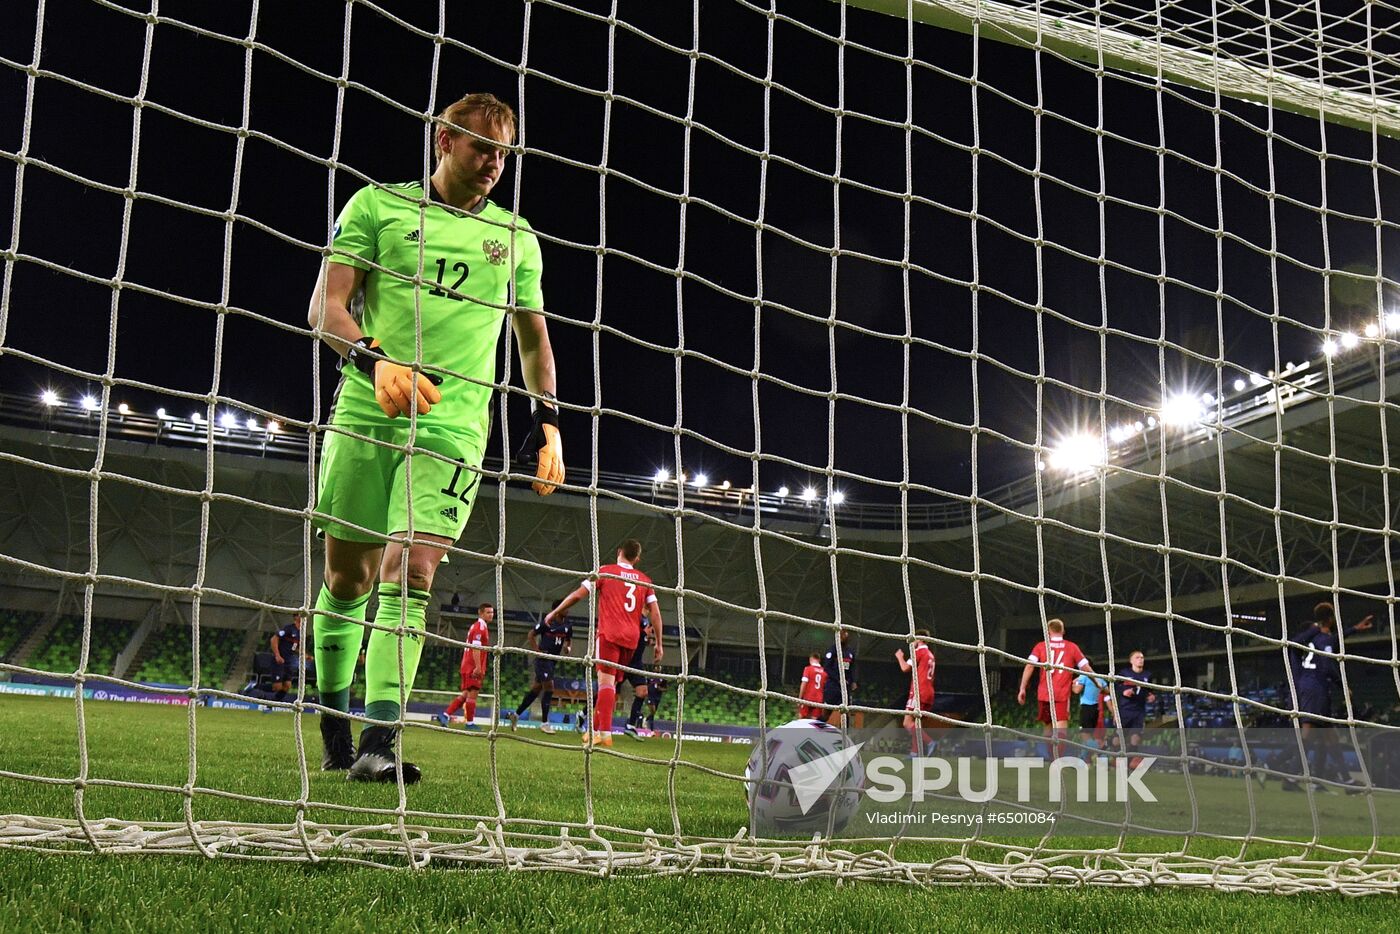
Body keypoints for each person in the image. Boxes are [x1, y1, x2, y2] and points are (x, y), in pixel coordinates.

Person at [306, 92, 563, 782]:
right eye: (482, 147)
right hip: (368, 411)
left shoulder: (516, 238)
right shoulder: (376, 207)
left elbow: (534, 341)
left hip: (454, 427)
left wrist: (550, 422)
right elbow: (326, 307)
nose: (494, 163)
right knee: (346, 577)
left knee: (411, 571)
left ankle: (380, 738)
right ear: (441, 141)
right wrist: (373, 356)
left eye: (504, 153)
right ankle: (333, 713)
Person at [546, 539, 663, 748]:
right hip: (632, 639)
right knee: (610, 685)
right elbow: (655, 613)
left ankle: (604, 733)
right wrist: (659, 644)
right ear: (637, 558)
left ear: (619, 552)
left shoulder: (605, 571)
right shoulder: (645, 580)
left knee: (606, 684)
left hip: (610, 635)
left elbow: (577, 595)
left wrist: (555, 612)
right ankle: (595, 729)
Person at [1281, 601, 1374, 792]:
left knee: (1331, 736)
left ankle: (1347, 781)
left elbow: (1333, 640)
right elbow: (1327, 665)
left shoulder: (1314, 638)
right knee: (1308, 732)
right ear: (1331, 619)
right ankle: (1290, 778)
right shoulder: (1324, 640)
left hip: (1310, 686)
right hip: (1317, 687)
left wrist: (1355, 628)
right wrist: (1343, 686)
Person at [1017, 619, 1093, 759]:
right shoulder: (1072, 647)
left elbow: (1029, 665)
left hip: (1044, 694)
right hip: (1061, 694)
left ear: (1048, 631)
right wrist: (1096, 679)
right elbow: (1085, 667)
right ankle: (1057, 759)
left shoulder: (1040, 646)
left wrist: (1022, 688)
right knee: (1061, 728)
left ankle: (1052, 757)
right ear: (1063, 631)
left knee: (1048, 727)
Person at [508, 598, 573, 734]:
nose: (568, 610)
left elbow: (568, 639)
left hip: (553, 660)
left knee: (536, 689)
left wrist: (568, 647)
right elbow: (531, 634)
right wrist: (536, 650)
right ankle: (545, 723)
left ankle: (516, 714)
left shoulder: (568, 624)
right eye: (566, 607)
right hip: (543, 659)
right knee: (549, 688)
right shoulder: (547, 622)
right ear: (559, 609)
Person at [436, 604, 492, 729]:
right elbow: (476, 648)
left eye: (492, 612)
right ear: (481, 613)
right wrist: (478, 667)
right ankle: (470, 723)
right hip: (472, 665)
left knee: (466, 694)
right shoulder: (479, 627)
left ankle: (445, 714)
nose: (491, 615)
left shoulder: (478, 626)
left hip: (467, 664)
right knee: (473, 693)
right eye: (488, 612)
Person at [895, 630, 935, 756]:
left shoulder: (919, 652)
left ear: (919, 639)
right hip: (929, 692)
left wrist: (900, 657)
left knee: (907, 722)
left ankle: (930, 742)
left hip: (919, 691)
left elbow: (905, 668)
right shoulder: (930, 654)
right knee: (916, 724)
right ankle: (914, 753)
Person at [1114, 650, 1156, 760]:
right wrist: (1123, 692)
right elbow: (1115, 688)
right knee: (1118, 738)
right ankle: (1110, 754)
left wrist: (1151, 696)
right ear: (1131, 660)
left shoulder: (1148, 675)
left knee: (1135, 738)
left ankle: (1127, 763)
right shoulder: (1124, 674)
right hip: (1125, 709)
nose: (1141, 659)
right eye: (1137, 657)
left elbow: (1149, 690)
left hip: (1139, 711)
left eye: (1142, 657)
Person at [622, 614, 656, 739]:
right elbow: (630, 633)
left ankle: (630, 725)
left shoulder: (646, 619)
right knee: (610, 689)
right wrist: (643, 634)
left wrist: (650, 640)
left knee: (642, 692)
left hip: (636, 663)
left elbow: (642, 639)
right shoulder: (635, 615)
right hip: (625, 660)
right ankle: (584, 714)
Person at [821, 629, 855, 727]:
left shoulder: (850, 652)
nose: (844, 636)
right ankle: (815, 732)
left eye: (845, 634)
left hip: (845, 688)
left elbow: (852, 668)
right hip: (833, 686)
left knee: (846, 712)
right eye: (842, 634)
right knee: (826, 714)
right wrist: (838, 679)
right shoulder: (833, 649)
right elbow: (826, 667)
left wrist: (852, 681)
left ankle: (845, 737)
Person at [1071, 670, 1109, 757]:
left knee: (1085, 735)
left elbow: (1076, 690)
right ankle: (1081, 759)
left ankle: (1102, 750)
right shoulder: (1099, 678)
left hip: (1086, 708)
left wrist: (1073, 684)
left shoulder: (1084, 676)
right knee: (1088, 736)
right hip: (1095, 709)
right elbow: (1107, 691)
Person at [268, 614, 303, 701]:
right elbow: (274, 639)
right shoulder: (289, 628)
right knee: (277, 687)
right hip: (280, 660)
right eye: (300, 615)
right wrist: (277, 655)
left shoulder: (300, 632)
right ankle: (254, 686)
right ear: (295, 617)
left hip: (288, 661)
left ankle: (271, 704)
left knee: (287, 685)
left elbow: (294, 647)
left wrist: (305, 655)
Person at [796, 654, 825, 720]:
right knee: (813, 722)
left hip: (808, 698)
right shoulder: (824, 672)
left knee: (801, 718)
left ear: (810, 659)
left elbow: (804, 684)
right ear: (819, 660)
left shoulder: (808, 669)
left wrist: (800, 698)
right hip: (819, 700)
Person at [643, 669, 666, 734]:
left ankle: (649, 725)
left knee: (653, 713)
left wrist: (660, 689)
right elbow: (646, 685)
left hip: (658, 698)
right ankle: (651, 728)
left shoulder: (662, 679)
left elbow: (665, 688)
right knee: (652, 711)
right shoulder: (650, 678)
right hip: (650, 696)